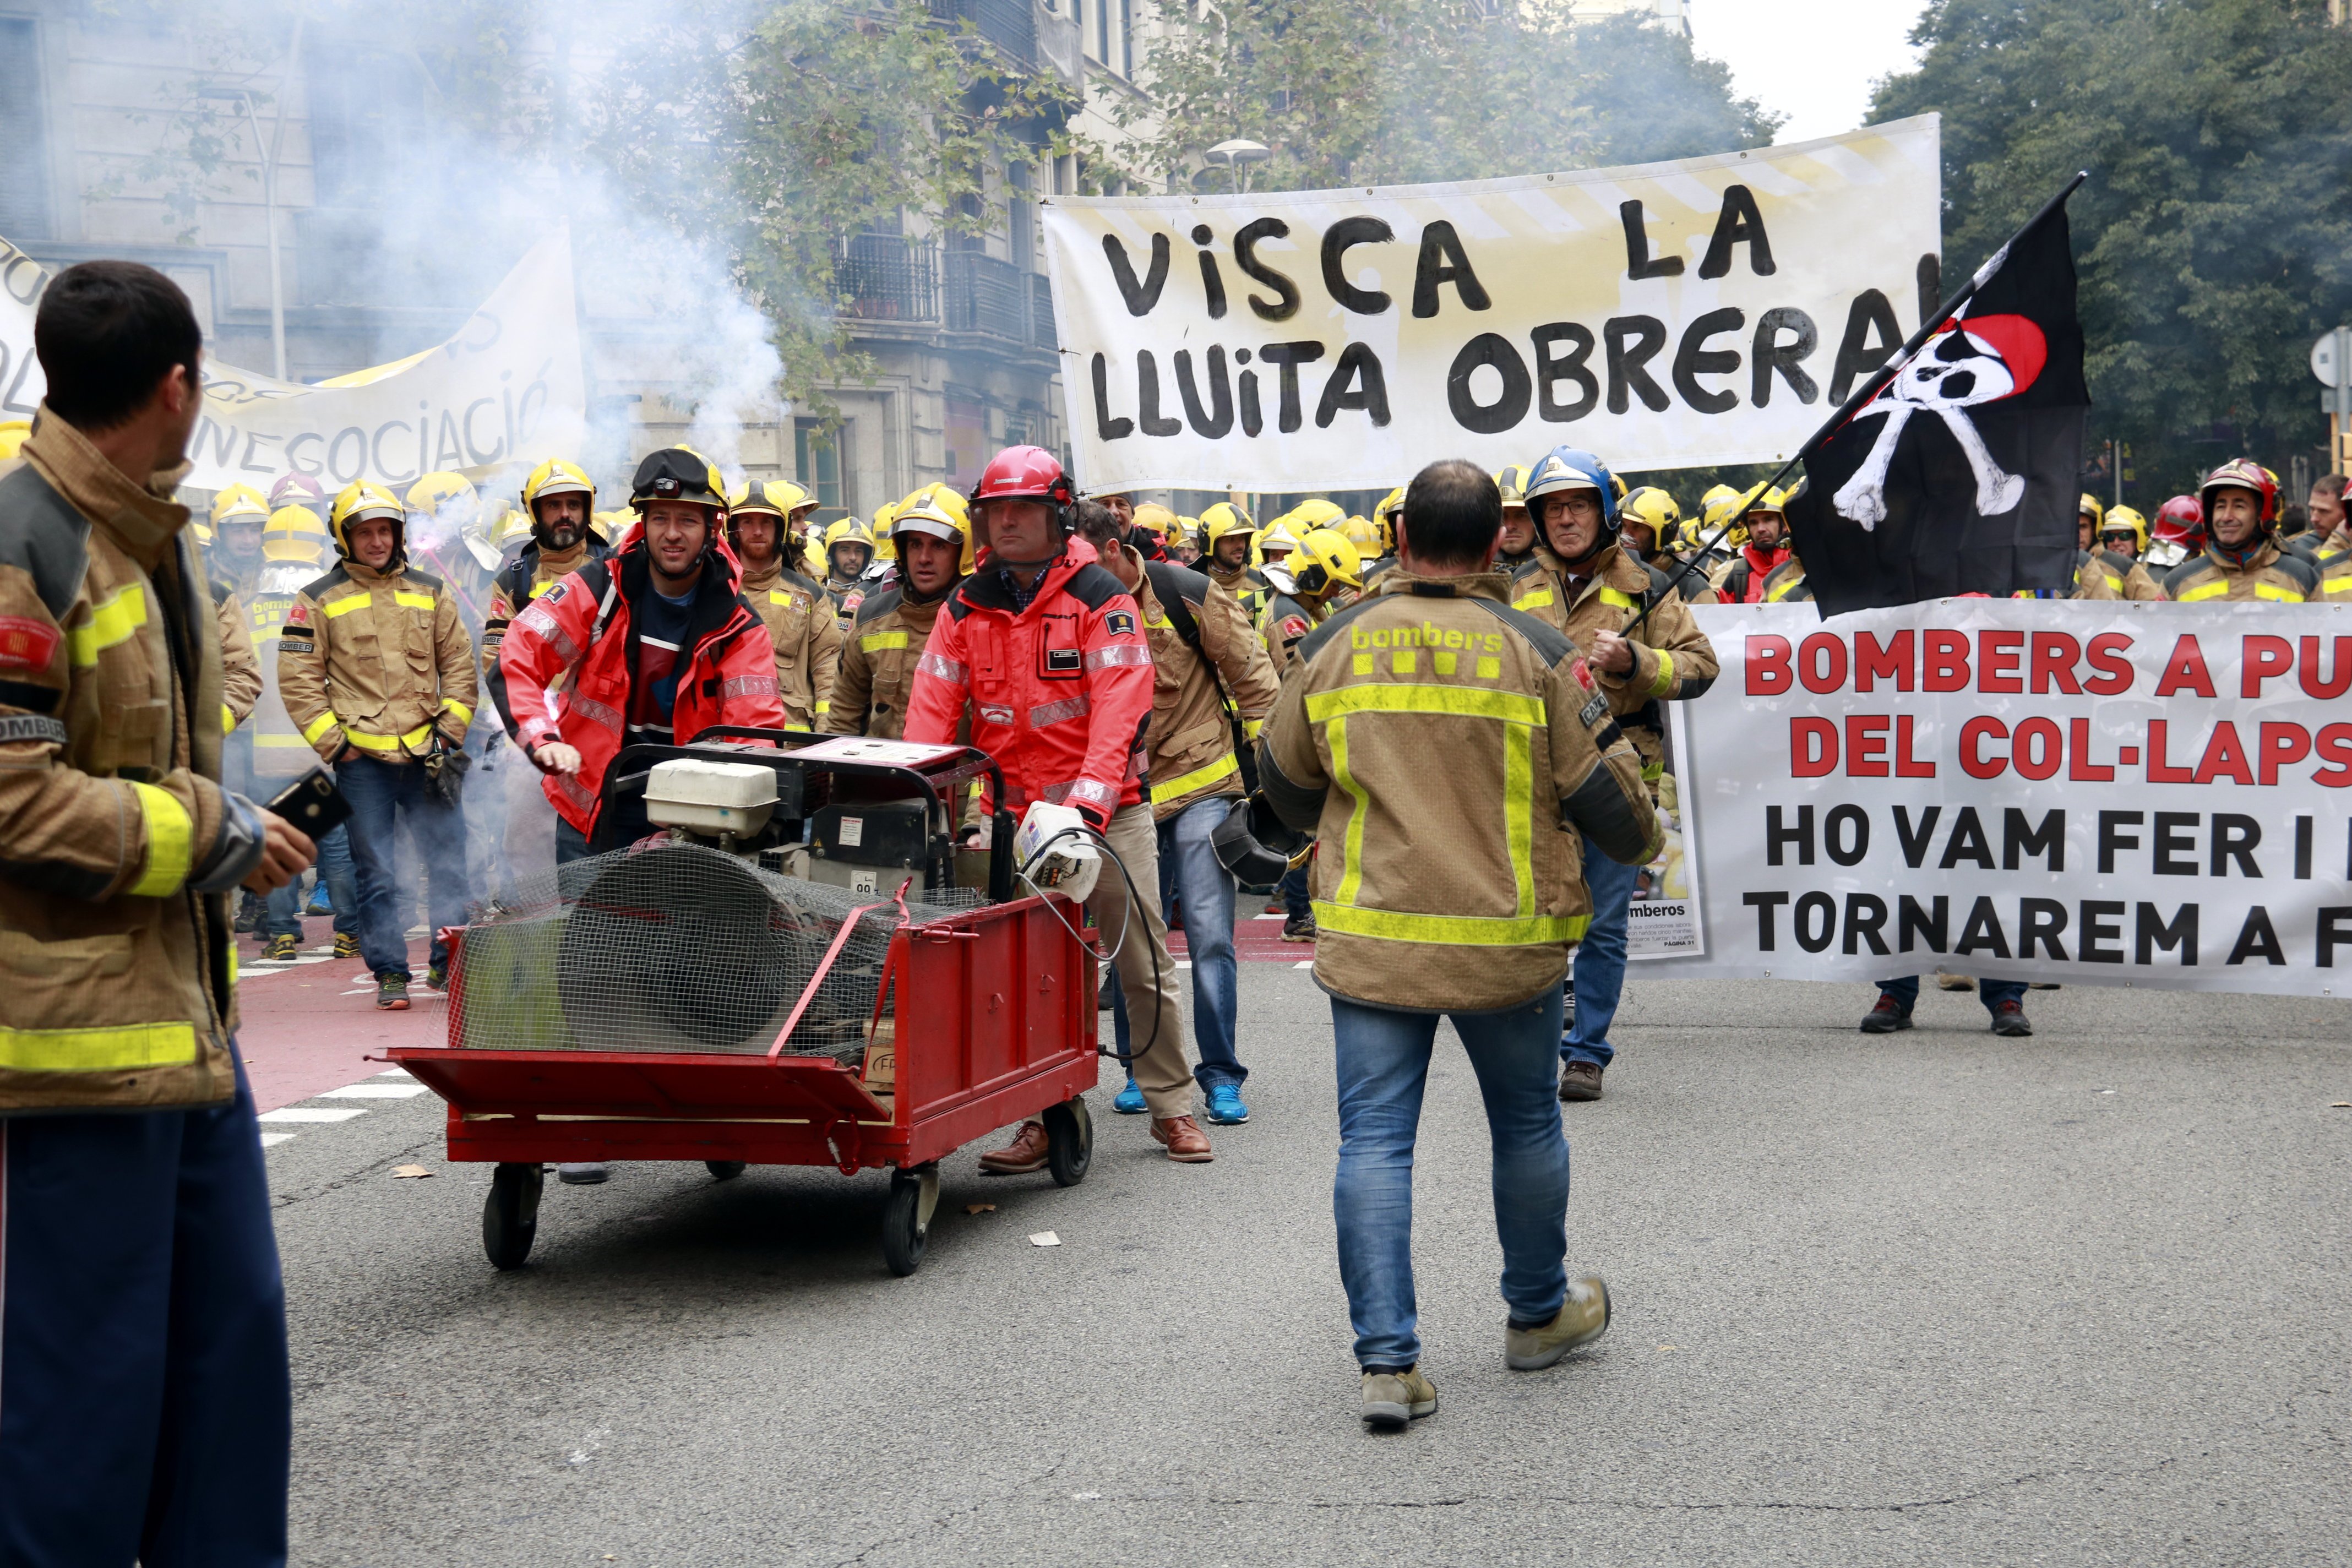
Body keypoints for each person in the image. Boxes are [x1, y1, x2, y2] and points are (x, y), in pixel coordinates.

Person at [0, 257, 314, 1566]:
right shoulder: (26, 541)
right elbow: (15, 797)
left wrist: (230, 828)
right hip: (80, 1049)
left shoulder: (158, 535)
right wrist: (214, 831)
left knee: (231, 1352)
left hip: (191, 1026)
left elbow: (136, 757)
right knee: (91, 1387)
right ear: (177, 384)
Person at [1256, 458, 1659, 1430]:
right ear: (1496, 544)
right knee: (1526, 1125)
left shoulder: (1341, 643)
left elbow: (1279, 781)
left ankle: (1388, 1364)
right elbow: (1618, 814)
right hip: (1507, 948)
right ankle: (1536, 1314)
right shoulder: (1530, 650)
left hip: (1375, 941)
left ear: (1399, 543)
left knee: (1375, 1142)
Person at [901, 444, 1211, 1166]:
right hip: (1012, 821)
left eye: (1022, 510)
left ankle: (1171, 1107)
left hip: (1105, 815)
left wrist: (1087, 812)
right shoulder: (965, 606)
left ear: (1057, 515)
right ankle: (1042, 1116)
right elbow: (931, 712)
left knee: (1140, 964)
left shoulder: (1100, 596)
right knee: (1029, 977)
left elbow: (1121, 712)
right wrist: (920, 802)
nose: (1005, 523)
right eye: (994, 511)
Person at [1507, 448, 1718, 1102]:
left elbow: (1701, 667)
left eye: (1578, 505)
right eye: (1552, 508)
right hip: (1532, 775)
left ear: (1604, 511)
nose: (1565, 518)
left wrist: (1637, 662)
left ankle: (1587, 1052)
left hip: (1617, 775)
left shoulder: (1650, 586)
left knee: (1602, 924)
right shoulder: (1513, 587)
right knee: (1534, 917)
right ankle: (1532, 1046)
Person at [1074, 501, 1281, 1129]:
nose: (1071, 572)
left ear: (1113, 551)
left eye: (1082, 559)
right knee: (1137, 941)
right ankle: (1147, 1070)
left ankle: (1220, 1076)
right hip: (1126, 796)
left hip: (1201, 789)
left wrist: (1271, 780)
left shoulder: (1188, 593)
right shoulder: (1074, 607)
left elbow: (1255, 681)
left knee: (1213, 937)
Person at [497, 446, 788, 862]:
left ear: (713, 528)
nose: (672, 533)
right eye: (660, 518)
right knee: (585, 930)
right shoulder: (600, 589)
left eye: (687, 519)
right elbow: (519, 654)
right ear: (644, 523)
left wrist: (711, 823)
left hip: (689, 823)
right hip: (593, 812)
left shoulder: (739, 627)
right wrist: (541, 737)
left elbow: (752, 738)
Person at [278, 480, 477, 1008]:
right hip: (362, 761)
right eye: (365, 532)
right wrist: (336, 746)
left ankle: (448, 965)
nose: (377, 541)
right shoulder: (316, 599)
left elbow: (459, 665)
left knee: (449, 862)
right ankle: (390, 973)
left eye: (385, 530)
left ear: (398, 534)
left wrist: (449, 732)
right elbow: (298, 678)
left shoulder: (431, 590)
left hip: (428, 754)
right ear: (346, 538)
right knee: (378, 871)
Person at [246, 503, 356, 960]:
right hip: (322, 747)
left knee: (277, 843)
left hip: (266, 755)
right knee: (337, 847)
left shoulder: (249, 607)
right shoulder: (325, 602)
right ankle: (349, 934)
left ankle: (282, 935)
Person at [1257, 527, 1366, 943]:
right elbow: (1299, 676)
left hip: (1296, 724)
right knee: (1304, 831)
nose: (1335, 592)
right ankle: (1300, 914)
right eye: (1334, 583)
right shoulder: (1290, 615)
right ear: (1314, 576)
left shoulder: (1302, 607)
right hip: (1288, 728)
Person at [824, 487, 971, 740]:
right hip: (884, 775)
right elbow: (843, 712)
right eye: (915, 544)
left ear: (962, 553)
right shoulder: (870, 617)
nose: (924, 558)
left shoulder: (981, 621)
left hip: (958, 777)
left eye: (938, 545)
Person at [728, 480, 842, 729]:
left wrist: (825, 738)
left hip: (794, 746)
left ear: (780, 528)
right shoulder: (719, 590)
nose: (757, 531)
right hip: (730, 742)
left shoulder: (809, 594)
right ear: (733, 529)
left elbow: (828, 667)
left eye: (766, 522)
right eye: (748, 522)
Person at [2161, 459, 2318, 603]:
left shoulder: (2302, 578)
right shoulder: (2178, 582)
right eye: (2220, 506)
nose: (2227, 517)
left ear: (2261, 514)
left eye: (2239, 506)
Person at [1709, 485, 1798, 603]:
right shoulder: (1737, 576)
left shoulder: (1802, 566)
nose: (1761, 529)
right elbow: (1725, 620)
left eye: (1768, 520)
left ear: (1784, 523)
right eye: (1753, 522)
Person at [819, 518, 877, 628]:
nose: (853, 557)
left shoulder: (874, 593)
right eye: (845, 550)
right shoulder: (819, 592)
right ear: (831, 554)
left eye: (858, 551)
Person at [1494, 464, 1538, 573]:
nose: (1510, 526)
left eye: (1521, 516)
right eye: (1502, 517)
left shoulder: (1562, 571)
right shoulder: (1472, 570)